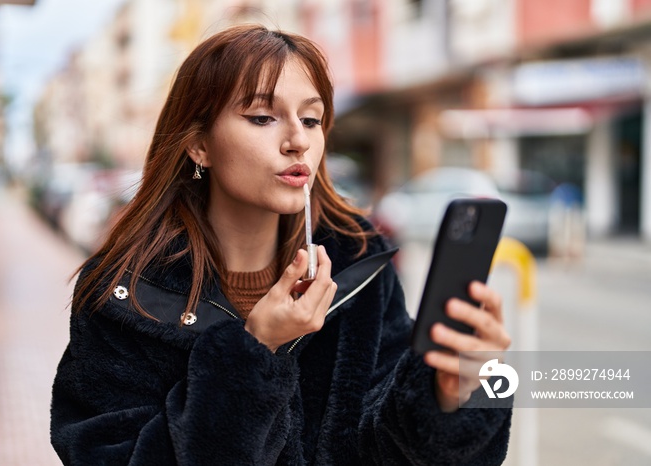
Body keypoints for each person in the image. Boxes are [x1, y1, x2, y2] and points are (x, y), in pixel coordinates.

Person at [50, 24, 512, 465]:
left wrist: (452, 394)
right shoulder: (124, 294)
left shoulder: (359, 263)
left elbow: (389, 445)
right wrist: (255, 350)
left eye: (312, 119)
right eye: (262, 117)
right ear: (198, 145)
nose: (298, 141)